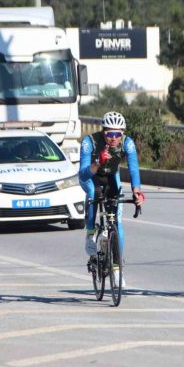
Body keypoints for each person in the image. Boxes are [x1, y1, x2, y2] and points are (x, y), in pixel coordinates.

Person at [78, 111, 145, 284]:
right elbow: (83, 174)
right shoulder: (90, 142)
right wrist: (98, 162)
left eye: (118, 134)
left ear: (122, 133)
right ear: (103, 132)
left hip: (111, 177)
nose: (114, 138)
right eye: (110, 134)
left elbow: (133, 169)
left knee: (117, 221)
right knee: (94, 194)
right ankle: (91, 234)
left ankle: (116, 269)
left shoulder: (127, 143)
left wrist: (137, 191)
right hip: (92, 177)